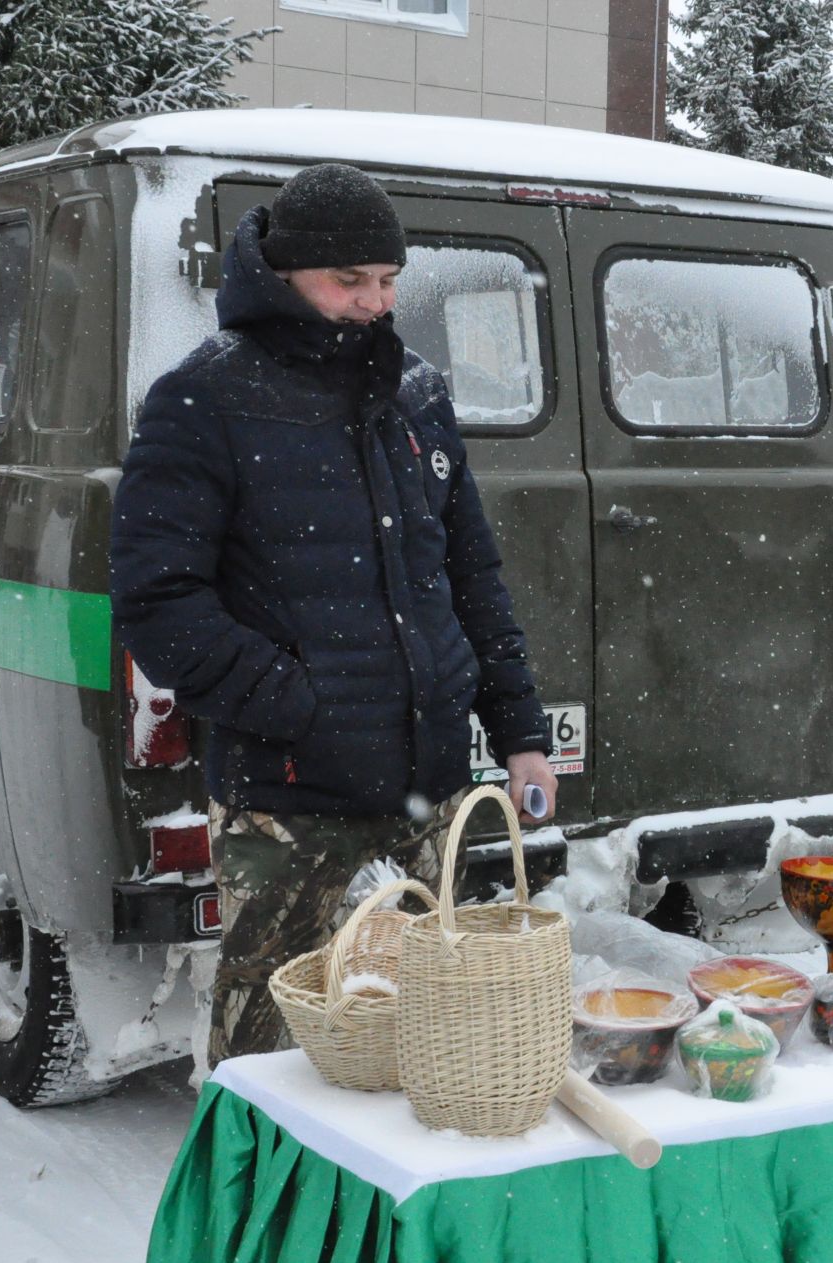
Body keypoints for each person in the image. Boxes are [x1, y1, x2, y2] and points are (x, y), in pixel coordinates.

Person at [110, 163, 557, 1066]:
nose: (371, 302)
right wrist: (299, 706)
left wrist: (518, 730)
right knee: (267, 1060)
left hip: (428, 789)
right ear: (282, 277)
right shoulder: (204, 399)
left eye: (386, 282)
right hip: (289, 806)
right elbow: (156, 600)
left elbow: (471, 577)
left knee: (426, 1043)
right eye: (347, 282)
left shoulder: (416, 393)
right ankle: (254, 1208)